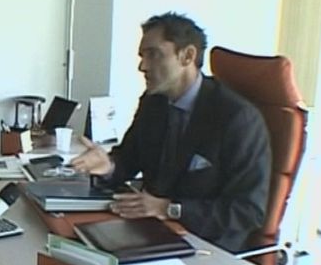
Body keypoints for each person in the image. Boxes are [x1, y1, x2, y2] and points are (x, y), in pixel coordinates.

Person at [71, 12, 271, 249]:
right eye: (142, 56)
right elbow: (129, 158)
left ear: (187, 56)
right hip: (151, 228)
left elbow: (248, 211)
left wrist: (169, 209)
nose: (142, 66)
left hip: (205, 244)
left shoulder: (237, 118)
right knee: (73, 241)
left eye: (153, 55)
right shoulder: (154, 101)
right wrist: (109, 166)